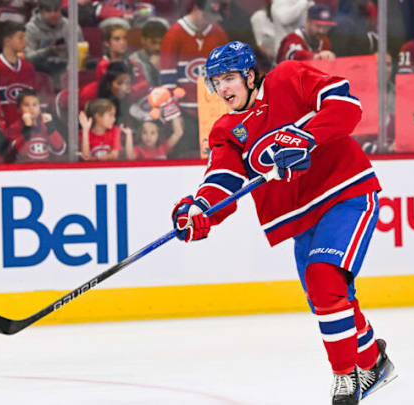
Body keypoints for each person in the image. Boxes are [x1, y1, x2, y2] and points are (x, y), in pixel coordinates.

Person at [170, 41, 397, 404]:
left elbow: (346, 106)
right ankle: (374, 362)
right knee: (328, 300)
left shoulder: (288, 78)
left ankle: (345, 380)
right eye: (217, 82)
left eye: (229, 78)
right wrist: (199, 210)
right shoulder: (227, 130)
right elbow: (221, 181)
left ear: (249, 74)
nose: (223, 89)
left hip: (344, 194)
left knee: (325, 282)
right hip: (299, 220)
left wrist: (305, 137)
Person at [159, 0, 228, 158]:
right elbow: (167, 82)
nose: (211, 21)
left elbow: (227, 77)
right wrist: (174, 116)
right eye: (208, 16)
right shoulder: (174, 34)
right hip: (184, 114)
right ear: (196, 9)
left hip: (213, 112)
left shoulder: (218, 33)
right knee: (184, 156)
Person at [25, 0, 84, 87]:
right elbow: (27, 58)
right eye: (48, 11)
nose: (53, 15)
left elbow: (80, 51)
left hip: (66, 67)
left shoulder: (71, 26)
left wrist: (72, 64)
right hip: (40, 69)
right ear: (41, 12)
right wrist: (48, 51)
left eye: (56, 10)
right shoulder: (31, 28)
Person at [0, 20, 35, 127]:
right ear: (8, 41)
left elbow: (33, 99)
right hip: (3, 128)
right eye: (20, 38)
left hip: (26, 127)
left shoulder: (28, 67)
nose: (25, 42)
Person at [7, 88, 66, 162]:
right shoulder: (14, 128)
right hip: (23, 170)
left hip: (45, 169)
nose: (31, 108)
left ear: (39, 107)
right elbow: (19, 153)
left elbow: (59, 149)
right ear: (19, 109)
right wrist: (27, 128)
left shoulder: (47, 125)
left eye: (35, 105)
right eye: (26, 105)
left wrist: (50, 127)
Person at [95, 22, 148, 100]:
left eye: (125, 38)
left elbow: (144, 84)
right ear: (107, 43)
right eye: (117, 39)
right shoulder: (103, 65)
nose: (122, 42)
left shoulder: (133, 62)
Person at [128, 18, 168, 88]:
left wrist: (160, 69)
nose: (157, 48)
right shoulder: (132, 61)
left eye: (161, 43)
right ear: (143, 40)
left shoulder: (168, 59)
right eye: (153, 42)